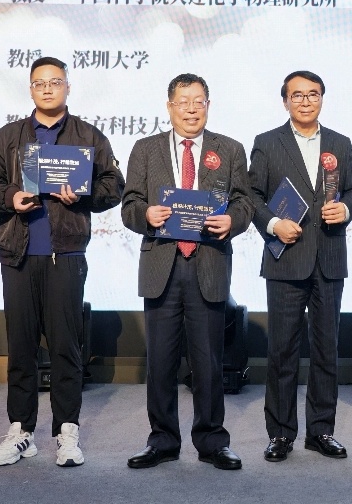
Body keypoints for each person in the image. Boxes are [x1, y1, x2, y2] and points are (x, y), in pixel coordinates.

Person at [0, 57, 124, 468]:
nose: (48, 89)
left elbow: (114, 186)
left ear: (68, 87)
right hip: (18, 254)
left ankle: (66, 431)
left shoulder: (88, 136)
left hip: (66, 255)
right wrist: (10, 198)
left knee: (65, 348)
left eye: (56, 82)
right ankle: (21, 431)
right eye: (40, 83)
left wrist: (84, 193)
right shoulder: (8, 137)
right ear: (31, 89)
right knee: (21, 348)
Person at [121, 73, 253, 471]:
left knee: (208, 362)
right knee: (161, 362)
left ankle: (212, 441)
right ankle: (162, 440)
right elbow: (129, 205)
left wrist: (233, 220)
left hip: (208, 263)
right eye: (183, 102)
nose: (191, 109)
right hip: (162, 264)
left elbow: (245, 203)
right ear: (170, 107)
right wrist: (146, 214)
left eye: (198, 102)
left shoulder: (229, 149)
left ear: (208, 106)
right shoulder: (145, 149)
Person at [249, 70, 352, 462]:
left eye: (312, 94)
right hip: (286, 257)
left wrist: (345, 208)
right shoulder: (267, 142)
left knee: (326, 350)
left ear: (322, 99)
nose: (305, 101)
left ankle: (321, 431)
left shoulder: (340, 143)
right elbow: (252, 195)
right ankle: (280, 434)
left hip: (329, 258)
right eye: (296, 95)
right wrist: (272, 224)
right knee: (282, 350)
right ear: (285, 101)